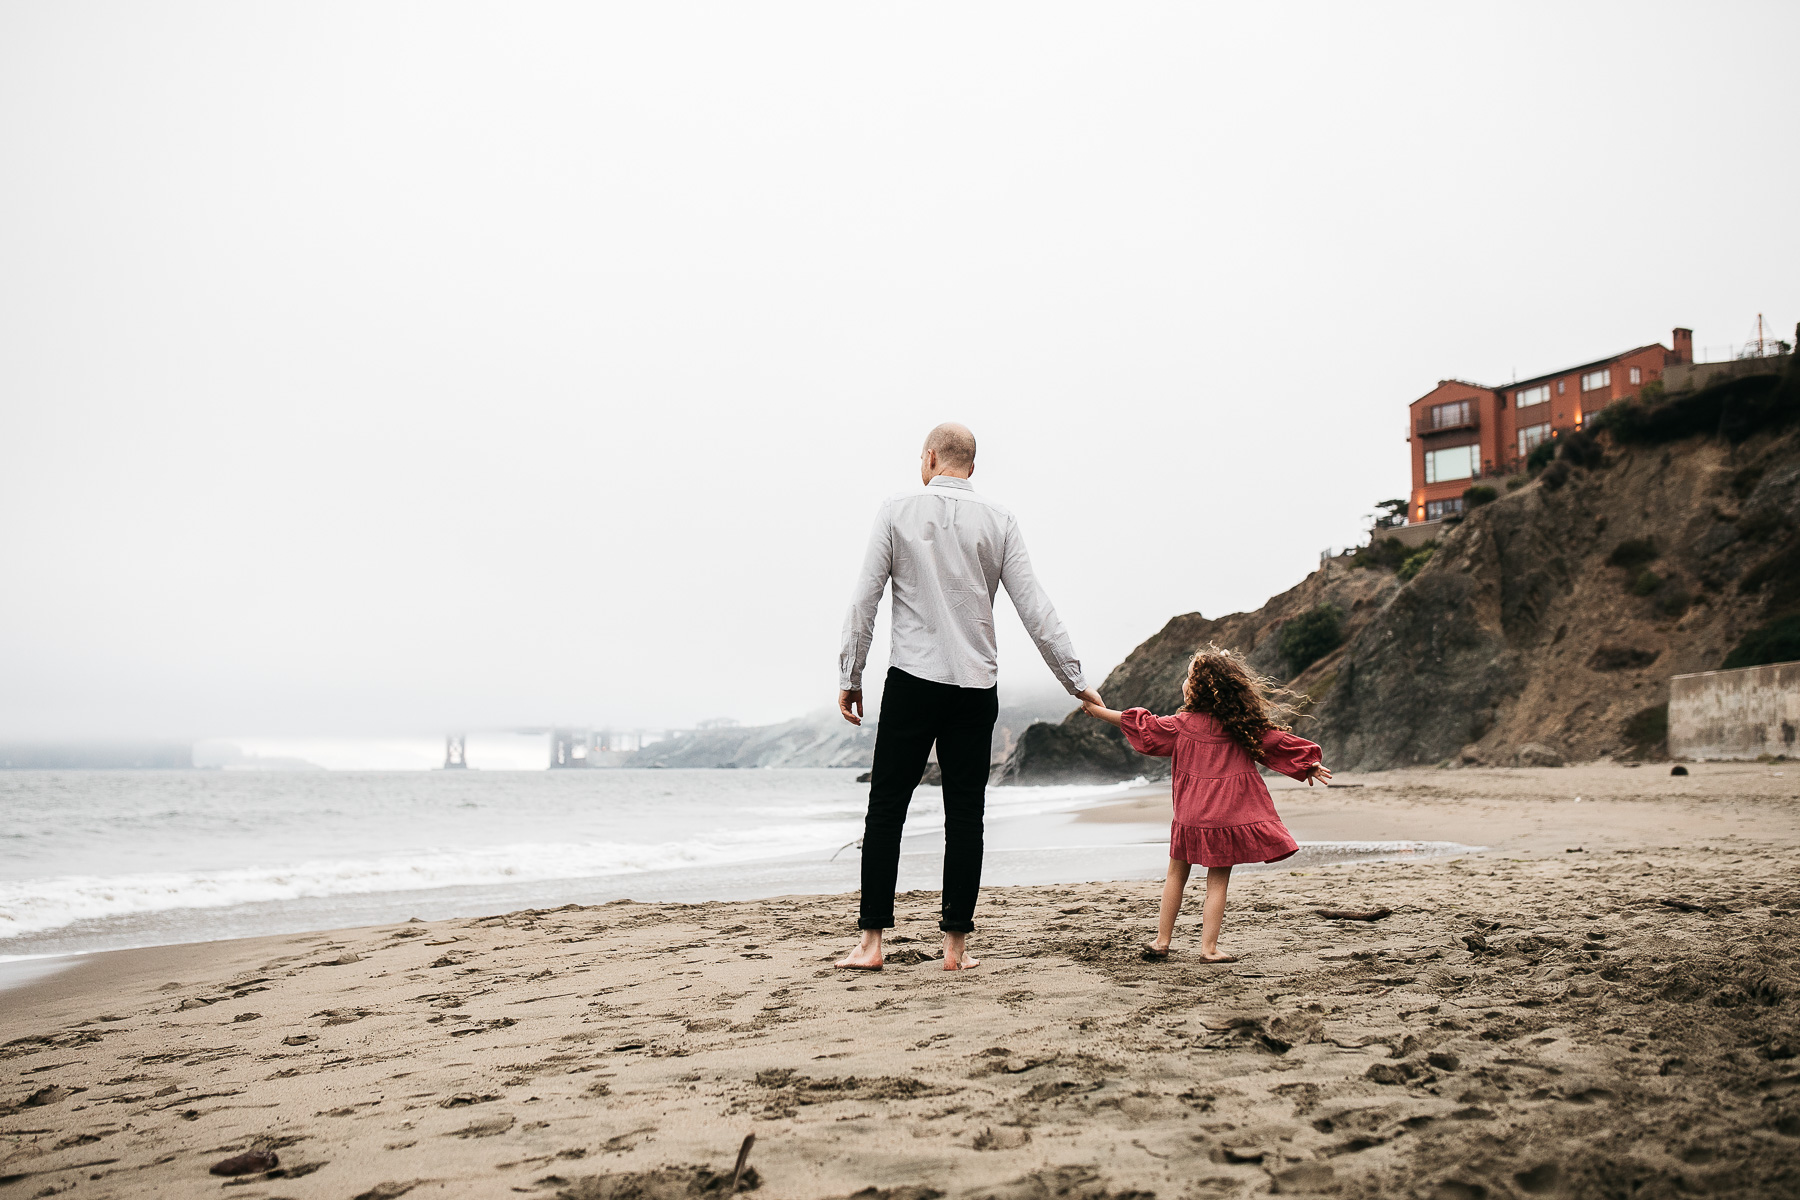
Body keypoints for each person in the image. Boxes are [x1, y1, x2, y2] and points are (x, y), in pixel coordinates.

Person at [836, 422, 1101, 972]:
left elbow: (865, 599)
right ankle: (955, 948)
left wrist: (851, 672)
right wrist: (1074, 679)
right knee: (966, 815)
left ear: (930, 457)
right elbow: (1035, 607)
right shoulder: (1000, 520)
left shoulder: (895, 509)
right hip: (975, 687)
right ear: (972, 466)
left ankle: (871, 944)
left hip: (912, 678)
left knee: (886, 809)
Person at [1078, 647, 1330, 962]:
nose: (1184, 682)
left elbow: (1144, 726)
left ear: (1201, 689)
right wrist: (1308, 764)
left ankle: (1161, 941)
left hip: (1189, 816)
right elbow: (1274, 743)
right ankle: (1209, 949)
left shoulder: (1180, 724)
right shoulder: (1240, 727)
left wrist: (1099, 712)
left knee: (1175, 875)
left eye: (1189, 677)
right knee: (1217, 882)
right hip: (1224, 818)